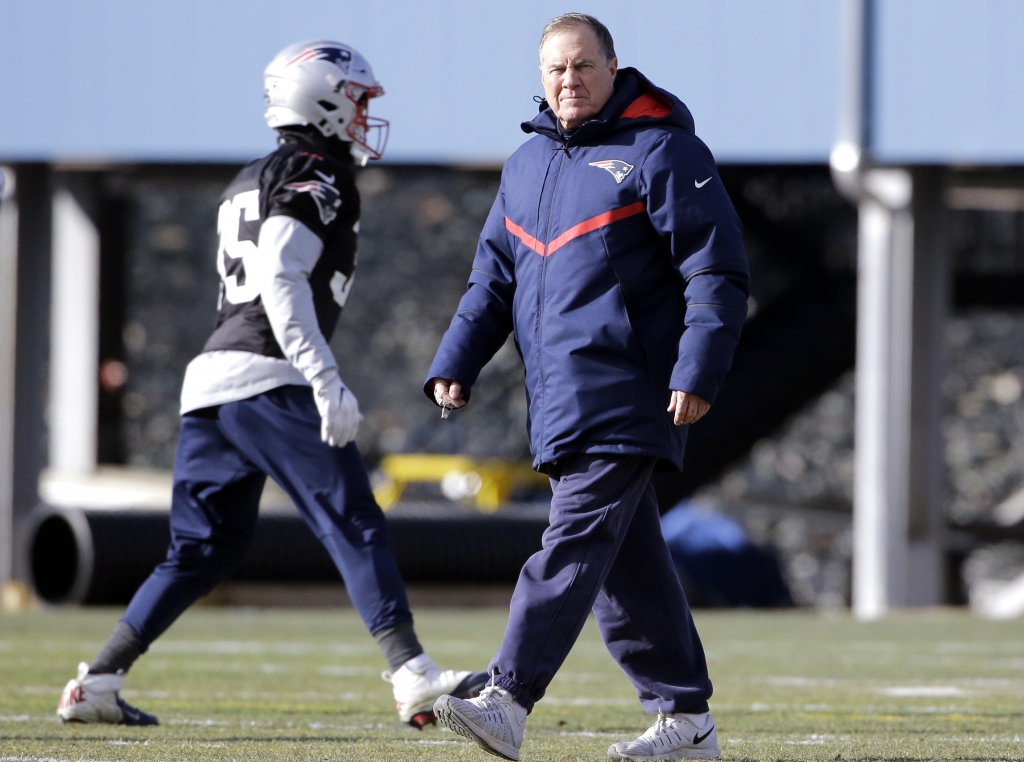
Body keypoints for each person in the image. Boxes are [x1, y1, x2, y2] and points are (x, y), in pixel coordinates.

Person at [56, 40, 485, 730]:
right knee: (352, 518)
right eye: (359, 98)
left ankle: (98, 679)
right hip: (269, 375)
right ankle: (412, 674)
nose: (365, 113)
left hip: (212, 382)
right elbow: (282, 276)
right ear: (321, 96)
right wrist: (324, 378)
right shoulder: (318, 170)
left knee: (201, 550)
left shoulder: (250, 174)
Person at [426, 13, 748, 762]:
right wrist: (455, 362)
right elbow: (491, 281)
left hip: (631, 393)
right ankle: (687, 721)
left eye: (582, 67)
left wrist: (695, 370)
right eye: (555, 70)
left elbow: (716, 271)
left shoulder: (663, 150)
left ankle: (506, 698)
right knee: (624, 575)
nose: (568, 81)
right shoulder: (523, 166)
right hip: (560, 401)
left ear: (613, 68)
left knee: (567, 549)